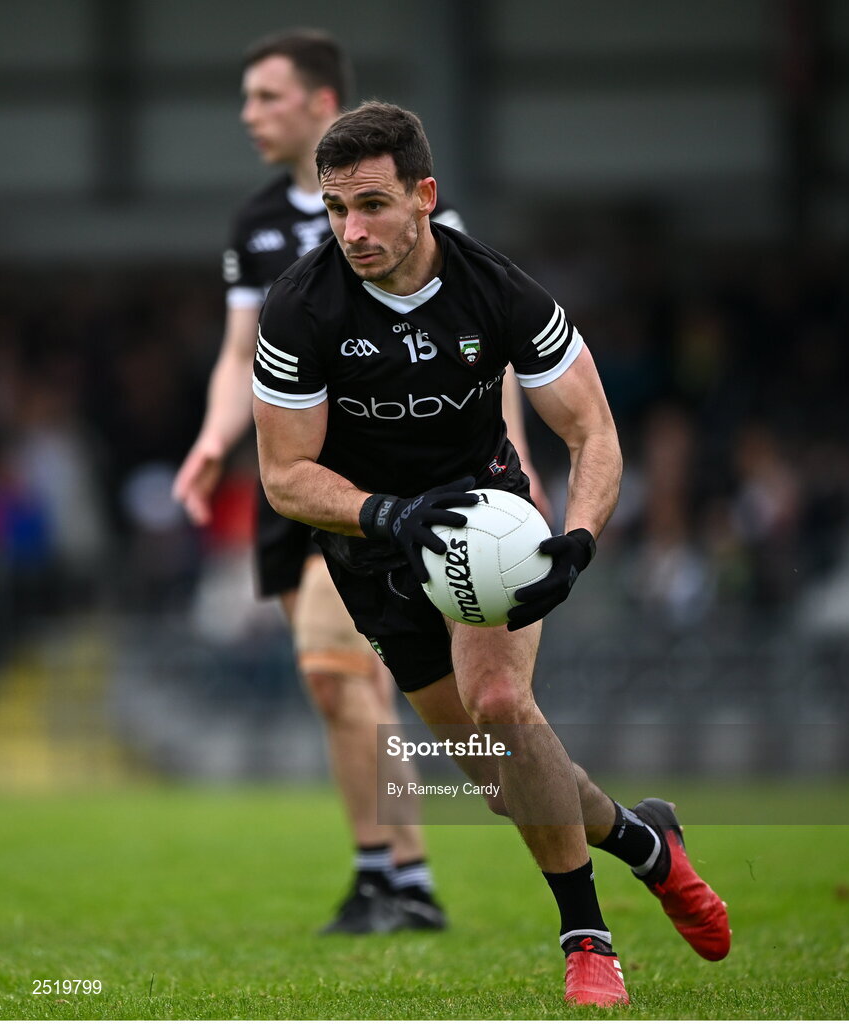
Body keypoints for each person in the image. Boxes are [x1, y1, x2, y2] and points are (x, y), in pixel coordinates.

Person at [252, 101, 731, 1006]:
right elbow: (285, 476)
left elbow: (594, 432)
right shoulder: (299, 308)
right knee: (510, 786)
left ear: (425, 196)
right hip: (375, 547)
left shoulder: (501, 291)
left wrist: (580, 539)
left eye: (374, 205)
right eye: (336, 208)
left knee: (504, 703)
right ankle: (645, 841)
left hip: (489, 523)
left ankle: (586, 939)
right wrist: (391, 515)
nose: (352, 229)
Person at [173, 29, 536, 936]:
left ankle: (398, 874)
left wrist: (517, 487)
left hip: (397, 488)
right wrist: (215, 440)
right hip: (297, 478)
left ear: (318, 102)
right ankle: (391, 873)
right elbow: (237, 355)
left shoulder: (418, 224)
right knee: (335, 684)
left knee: (352, 677)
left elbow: (486, 363)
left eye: (265, 96)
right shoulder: (256, 226)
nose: (250, 114)